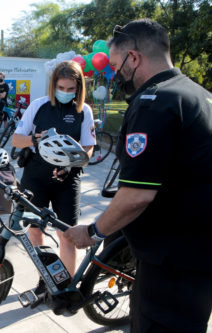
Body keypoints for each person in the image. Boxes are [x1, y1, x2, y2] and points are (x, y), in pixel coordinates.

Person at [64, 19, 212, 333]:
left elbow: (136, 196)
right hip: (197, 256)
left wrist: (92, 231)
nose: (114, 74)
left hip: (171, 265)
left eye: (116, 65)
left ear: (134, 58)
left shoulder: (155, 102)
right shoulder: (198, 95)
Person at [12, 60, 95, 295]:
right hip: (36, 175)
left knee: (67, 234)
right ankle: (44, 281)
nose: (66, 93)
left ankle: (67, 286)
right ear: (53, 85)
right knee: (35, 230)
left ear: (79, 88)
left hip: (67, 179)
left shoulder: (83, 111)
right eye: (62, 88)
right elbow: (16, 140)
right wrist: (34, 140)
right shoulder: (38, 106)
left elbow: (89, 148)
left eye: (71, 89)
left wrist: (73, 164)